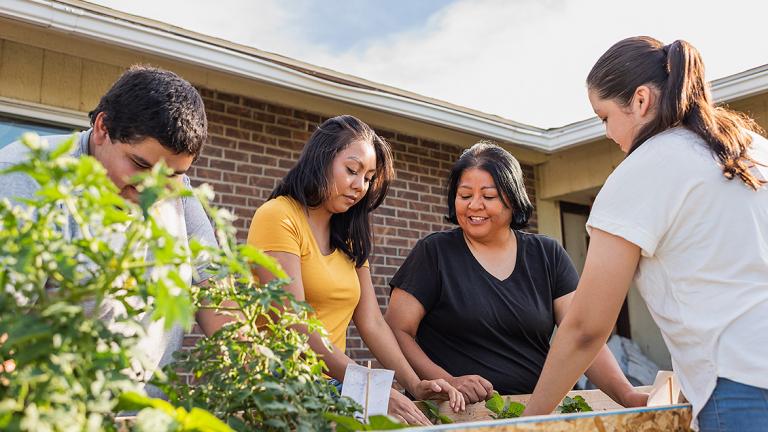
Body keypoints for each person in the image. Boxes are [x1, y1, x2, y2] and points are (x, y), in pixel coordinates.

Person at [523, 37, 768, 432]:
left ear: (640, 100)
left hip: (742, 384)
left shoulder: (644, 168)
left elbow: (586, 327)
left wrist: (530, 422)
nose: (606, 132)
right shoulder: (754, 149)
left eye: (604, 117)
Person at [0, 65, 219, 396]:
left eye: (172, 175)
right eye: (141, 165)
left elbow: (214, 289)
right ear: (102, 127)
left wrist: (256, 373)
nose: (153, 191)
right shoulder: (31, 175)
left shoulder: (180, 191)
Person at [384, 141, 647, 408]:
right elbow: (396, 330)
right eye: (465, 196)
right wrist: (447, 380)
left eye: (488, 196)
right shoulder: (434, 252)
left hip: (533, 411)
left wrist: (626, 394)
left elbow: (583, 335)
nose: (474, 205)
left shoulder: (547, 255)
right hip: (453, 411)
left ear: (513, 198)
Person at [246, 115, 464, 425]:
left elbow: (372, 321)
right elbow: (295, 324)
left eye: (368, 177)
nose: (360, 186)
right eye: (352, 170)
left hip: (333, 385)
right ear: (321, 160)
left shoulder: (347, 234)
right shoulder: (278, 215)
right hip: (283, 387)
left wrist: (413, 384)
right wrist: (371, 390)